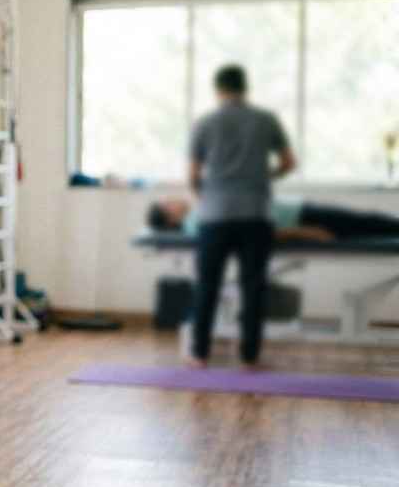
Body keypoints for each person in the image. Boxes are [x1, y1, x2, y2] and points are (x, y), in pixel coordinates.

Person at [181, 64, 296, 370]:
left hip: (214, 215)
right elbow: (289, 162)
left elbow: (192, 176)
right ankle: (249, 356)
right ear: (245, 88)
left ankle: (200, 354)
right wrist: (265, 176)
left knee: (207, 286)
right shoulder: (266, 119)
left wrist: (206, 198)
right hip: (255, 213)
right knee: (253, 287)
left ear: (218, 90)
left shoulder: (204, 123)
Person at [148, 196, 399, 242]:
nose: (173, 199)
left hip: (299, 212)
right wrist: (304, 232)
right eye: (168, 204)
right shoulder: (196, 224)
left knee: (370, 222)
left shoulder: (198, 213)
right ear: (170, 219)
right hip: (301, 220)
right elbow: (248, 232)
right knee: (371, 223)